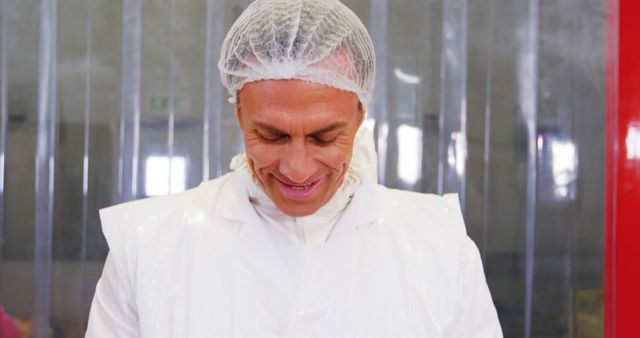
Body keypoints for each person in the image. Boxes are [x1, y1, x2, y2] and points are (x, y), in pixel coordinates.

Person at [86, 0, 503, 336]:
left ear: (359, 115)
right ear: (239, 115)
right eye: (271, 136)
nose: (298, 169)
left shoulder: (439, 248)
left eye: (324, 137)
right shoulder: (149, 248)